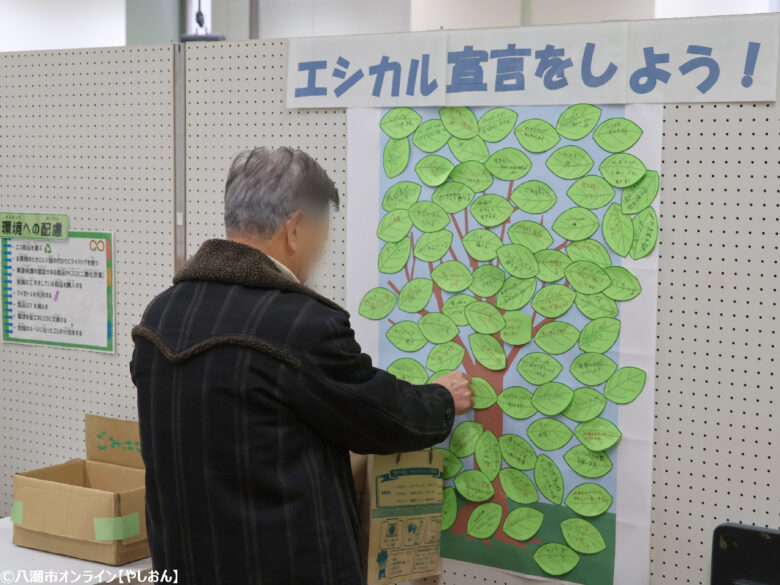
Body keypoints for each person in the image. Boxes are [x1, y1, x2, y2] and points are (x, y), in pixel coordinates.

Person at [130, 146, 474, 585]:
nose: (319, 254)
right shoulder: (300, 324)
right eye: (321, 238)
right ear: (295, 230)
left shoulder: (162, 313)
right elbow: (378, 416)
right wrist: (442, 400)